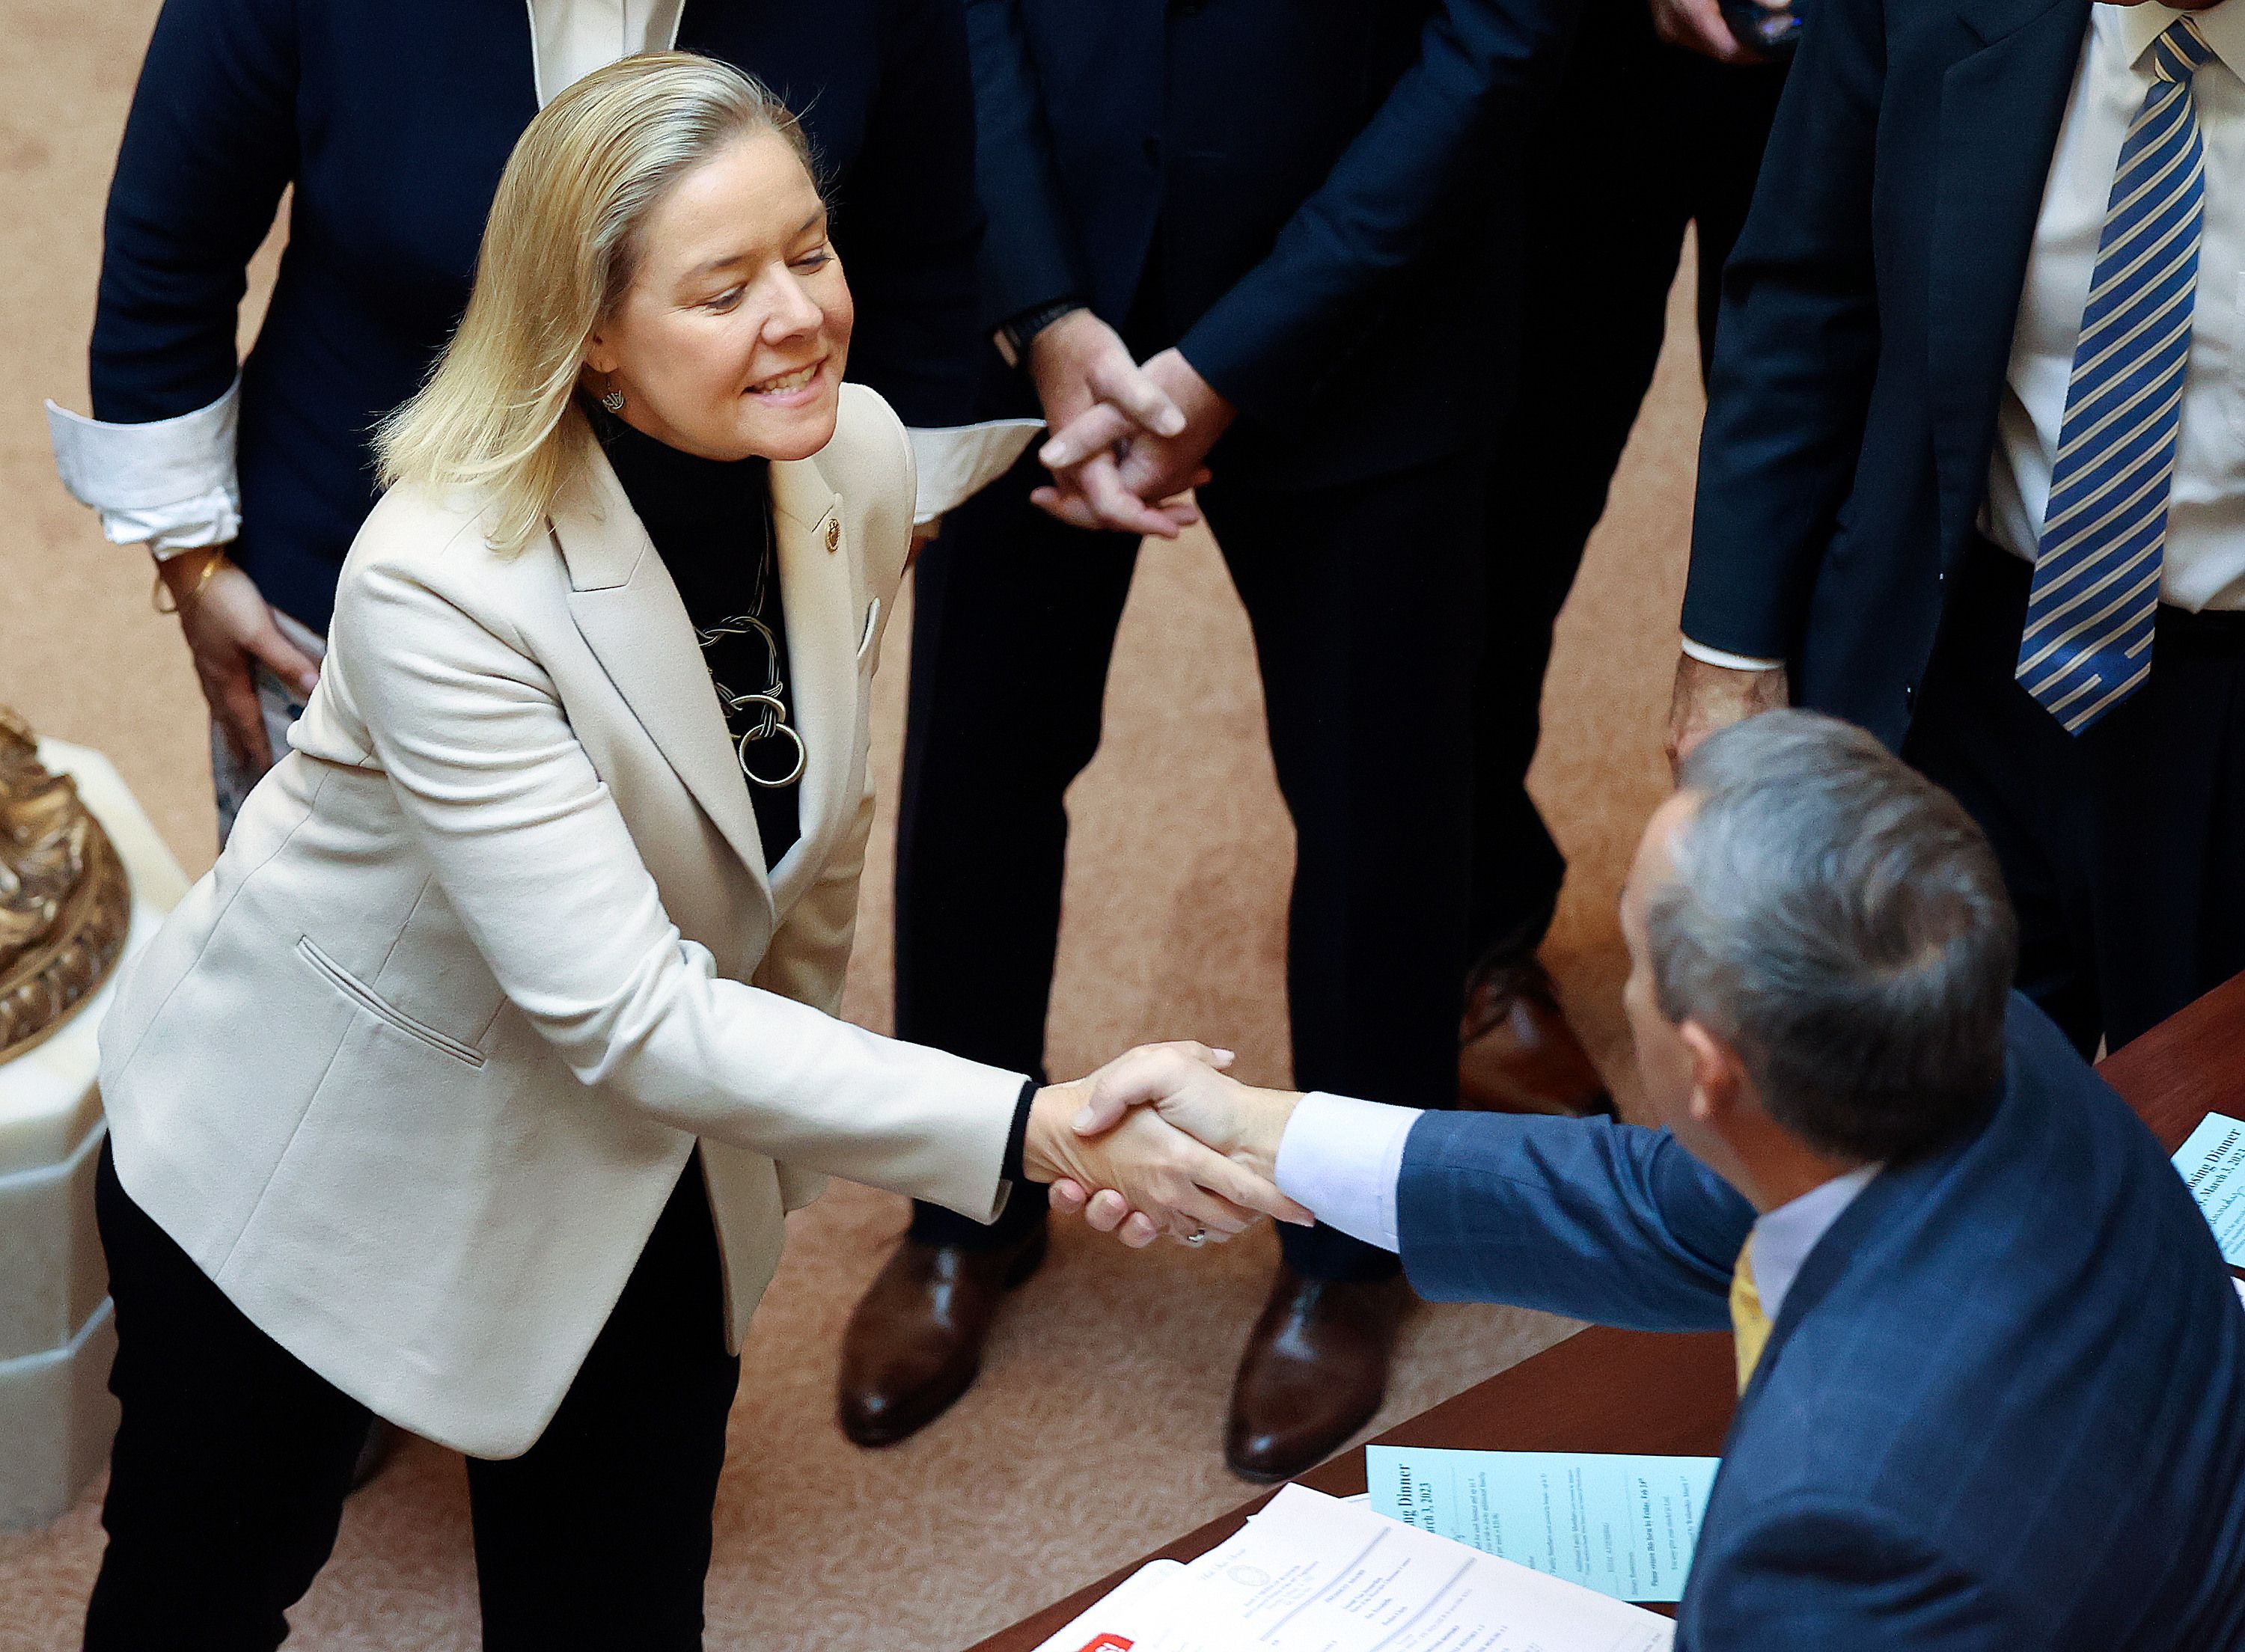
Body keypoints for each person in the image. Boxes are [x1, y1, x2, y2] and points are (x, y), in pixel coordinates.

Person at [81, 60, 1301, 1651]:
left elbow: (811, 851)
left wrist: (761, 1183)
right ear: (587, 333)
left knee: (619, 1607)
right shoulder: (443, 581)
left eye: (808, 253)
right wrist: (1037, 1129)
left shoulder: (853, 454)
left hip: (649, 1150)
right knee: (202, 1596)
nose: (797, 316)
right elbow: (629, 1014)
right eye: (723, 288)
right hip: (319, 1173)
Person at [1063, 711, 2245, 1649]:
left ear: (1703, 1067)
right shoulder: (1984, 1042)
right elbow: (1653, 1201)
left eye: (1632, 964)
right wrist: (1253, 1130)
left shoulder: (1830, 1532)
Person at [845, 0, 1573, 1487]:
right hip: (1027, 302)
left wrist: (1235, 356)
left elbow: (1492, 42)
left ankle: (1350, 1255)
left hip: (1375, 299)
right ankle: (962, 1203)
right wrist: (1041, 305)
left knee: (1381, 798)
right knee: (979, 765)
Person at [46, 0, 982, 842]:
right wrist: (191, 557)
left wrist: (869, 554)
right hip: (338, 579)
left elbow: (926, 257)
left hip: (724, 604)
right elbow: (168, 252)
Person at [1666, 0, 2245, 1059]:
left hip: (2223, 702)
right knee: (1913, 1119)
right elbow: (1809, 287)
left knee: (2210, 1160)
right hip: (1962, 644)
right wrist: (1728, 656)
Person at [1460, 0, 1789, 1117]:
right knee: (1502, 491)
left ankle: (1805, 932)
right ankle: (1471, 935)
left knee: (1834, 478)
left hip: (1858, 41)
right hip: (1572, 52)